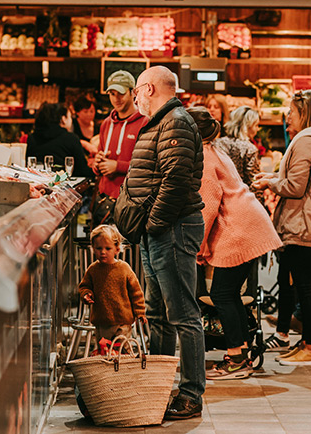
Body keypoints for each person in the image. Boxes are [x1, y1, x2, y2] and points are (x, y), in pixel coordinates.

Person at [122, 66, 206, 419]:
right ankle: (158, 385)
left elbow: (176, 179)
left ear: (150, 88)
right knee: (158, 314)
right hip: (158, 231)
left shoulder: (175, 122)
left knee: (183, 314)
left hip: (172, 229)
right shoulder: (160, 122)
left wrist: (154, 222)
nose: (135, 98)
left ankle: (191, 393)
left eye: (137, 90)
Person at [185, 107, 282, 380]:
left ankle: (236, 359)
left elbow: (208, 206)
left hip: (239, 229)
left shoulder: (203, 158)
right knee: (228, 294)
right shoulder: (215, 150)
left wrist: (199, 246)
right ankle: (242, 354)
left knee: (222, 295)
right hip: (249, 223)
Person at [252, 90, 311, 366]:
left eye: (292, 112)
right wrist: (273, 176)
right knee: (310, 286)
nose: (287, 117)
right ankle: (307, 344)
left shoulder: (305, 142)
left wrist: (269, 183)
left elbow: (295, 187)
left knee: (307, 287)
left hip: (305, 225)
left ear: (305, 114)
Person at [92, 70, 149, 224]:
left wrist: (117, 166)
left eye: (121, 94)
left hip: (131, 203)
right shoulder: (106, 123)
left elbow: (148, 166)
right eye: (112, 94)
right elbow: (98, 160)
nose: (116, 99)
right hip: (104, 200)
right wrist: (97, 164)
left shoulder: (145, 123)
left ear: (133, 92)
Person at [78, 225, 146, 341]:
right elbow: (84, 286)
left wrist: (140, 312)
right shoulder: (92, 270)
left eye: (108, 248)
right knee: (104, 349)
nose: (103, 252)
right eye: (99, 248)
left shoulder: (124, 268)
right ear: (93, 248)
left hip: (123, 322)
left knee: (121, 348)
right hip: (101, 321)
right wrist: (86, 294)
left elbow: (136, 293)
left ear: (117, 249)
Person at [214, 105, 263, 204]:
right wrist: (260, 205)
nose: (257, 129)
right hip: (240, 202)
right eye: (256, 125)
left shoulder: (217, 144)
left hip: (218, 199)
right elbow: (254, 183)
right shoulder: (249, 149)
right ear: (247, 126)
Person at [26, 103, 91, 178]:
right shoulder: (71, 138)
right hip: (65, 183)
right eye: (69, 117)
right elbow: (83, 171)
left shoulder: (31, 138)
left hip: (37, 181)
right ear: (63, 119)